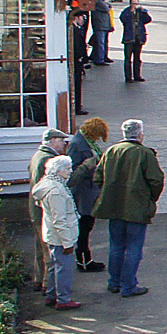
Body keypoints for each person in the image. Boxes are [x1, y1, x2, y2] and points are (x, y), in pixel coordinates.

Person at [94, 118, 164, 298]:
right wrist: (149, 199)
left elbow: (98, 177)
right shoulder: (144, 153)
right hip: (136, 208)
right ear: (140, 134)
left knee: (116, 246)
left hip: (114, 207)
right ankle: (129, 286)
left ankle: (114, 282)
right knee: (134, 247)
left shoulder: (111, 151)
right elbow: (156, 180)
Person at [32, 154, 81, 309]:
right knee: (64, 268)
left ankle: (52, 295)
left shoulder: (47, 184)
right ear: (58, 170)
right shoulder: (56, 191)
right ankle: (63, 299)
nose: (70, 171)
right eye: (67, 168)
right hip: (60, 236)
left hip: (51, 234)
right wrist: (67, 242)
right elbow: (59, 220)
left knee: (54, 266)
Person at [28, 128, 68, 292]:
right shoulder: (47, 158)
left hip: (35, 210)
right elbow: (42, 185)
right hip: (43, 211)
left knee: (40, 247)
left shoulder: (38, 155)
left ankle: (39, 279)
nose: (64, 144)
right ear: (52, 141)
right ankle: (48, 285)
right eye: (61, 140)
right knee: (48, 250)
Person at [67, 117, 110, 273]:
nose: (99, 139)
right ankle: (84, 261)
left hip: (89, 191)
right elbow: (71, 175)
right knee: (84, 228)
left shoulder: (87, 142)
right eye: (98, 135)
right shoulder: (77, 145)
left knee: (87, 227)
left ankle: (86, 259)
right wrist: (88, 166)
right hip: (83, 193)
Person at [119, 0, 153, 83]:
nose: (135, 5)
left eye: (136, 4)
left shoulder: (140, 12)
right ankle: (128, 77)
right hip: (129, 39)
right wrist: (130, 11)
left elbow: (148, 20)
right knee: (128, 59)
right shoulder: (126, 12)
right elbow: (123, 19)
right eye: (134, 3)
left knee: (137, 58)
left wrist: (144, 12)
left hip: (139, 38)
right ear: (130, 4)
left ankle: (137, 75)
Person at [69, 5, 92, 115]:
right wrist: (80, 57)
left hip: (78, 61)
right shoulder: (73, 31)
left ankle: (77, 105)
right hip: (76, 61)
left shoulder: (76, 29)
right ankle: (77, 106)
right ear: (76, 18)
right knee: (77, 84)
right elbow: (76, 46)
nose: (83, 20)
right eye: (82, 18)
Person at [91, 0, 113, 65]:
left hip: (104, 25)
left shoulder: (101, 1)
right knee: (100, 43)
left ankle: (103, 57)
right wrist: (108, 6)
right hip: (100, 25)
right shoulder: (98, 1)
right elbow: (107, 8)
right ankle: (99, 59)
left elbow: (109, 6)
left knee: (103, 43)